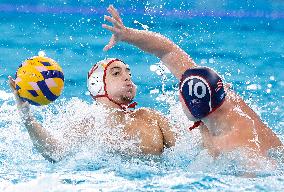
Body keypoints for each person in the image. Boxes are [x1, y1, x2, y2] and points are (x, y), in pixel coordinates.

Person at [102, 5, 283, 158]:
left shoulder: (242, 150)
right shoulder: (213, 91)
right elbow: (168, 51)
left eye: (180, 96)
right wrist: (126, 34)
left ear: (193, 107)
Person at [8, 58, 176, 163]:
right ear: (98, 84)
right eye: (116, 73)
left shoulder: (152, 118)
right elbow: (54, 153)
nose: (127, 77)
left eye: (128, 73)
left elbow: (192, 153)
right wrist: (26, 115)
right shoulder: (87, 123)